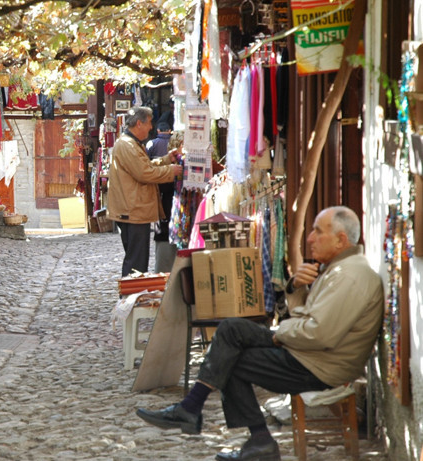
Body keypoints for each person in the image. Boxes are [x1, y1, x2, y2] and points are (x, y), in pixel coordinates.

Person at [136, 206, 384, 461]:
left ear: (341, 240)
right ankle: (200, 413)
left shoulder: (349, 275)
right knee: (231, 331)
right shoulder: (338, 268)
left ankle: (243, 433)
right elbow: (308, 316)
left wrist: (280, 334)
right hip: (310, 352)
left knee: (229, 358)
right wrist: (296, 287)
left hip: (320, 365)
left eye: (318, 232)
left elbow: (318, 334)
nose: (310, 238)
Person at [107, 107, 182, 277]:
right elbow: (144, 173)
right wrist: (171, 171)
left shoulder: (131, 144)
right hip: (132, 210)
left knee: (137, 260)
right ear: (139, 123)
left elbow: (145, 166)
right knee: (136, 262)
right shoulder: (127, 145)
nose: (151, 127)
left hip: (134, 209)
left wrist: (165, 160)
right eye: (148, 123)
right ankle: (130, 298)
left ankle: (132, 296)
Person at [146, 124, 180, 273]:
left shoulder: (151, 144)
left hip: (168, 222)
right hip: (166, 222)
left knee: (166, 266)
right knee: (164, 267)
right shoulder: (168, 169)